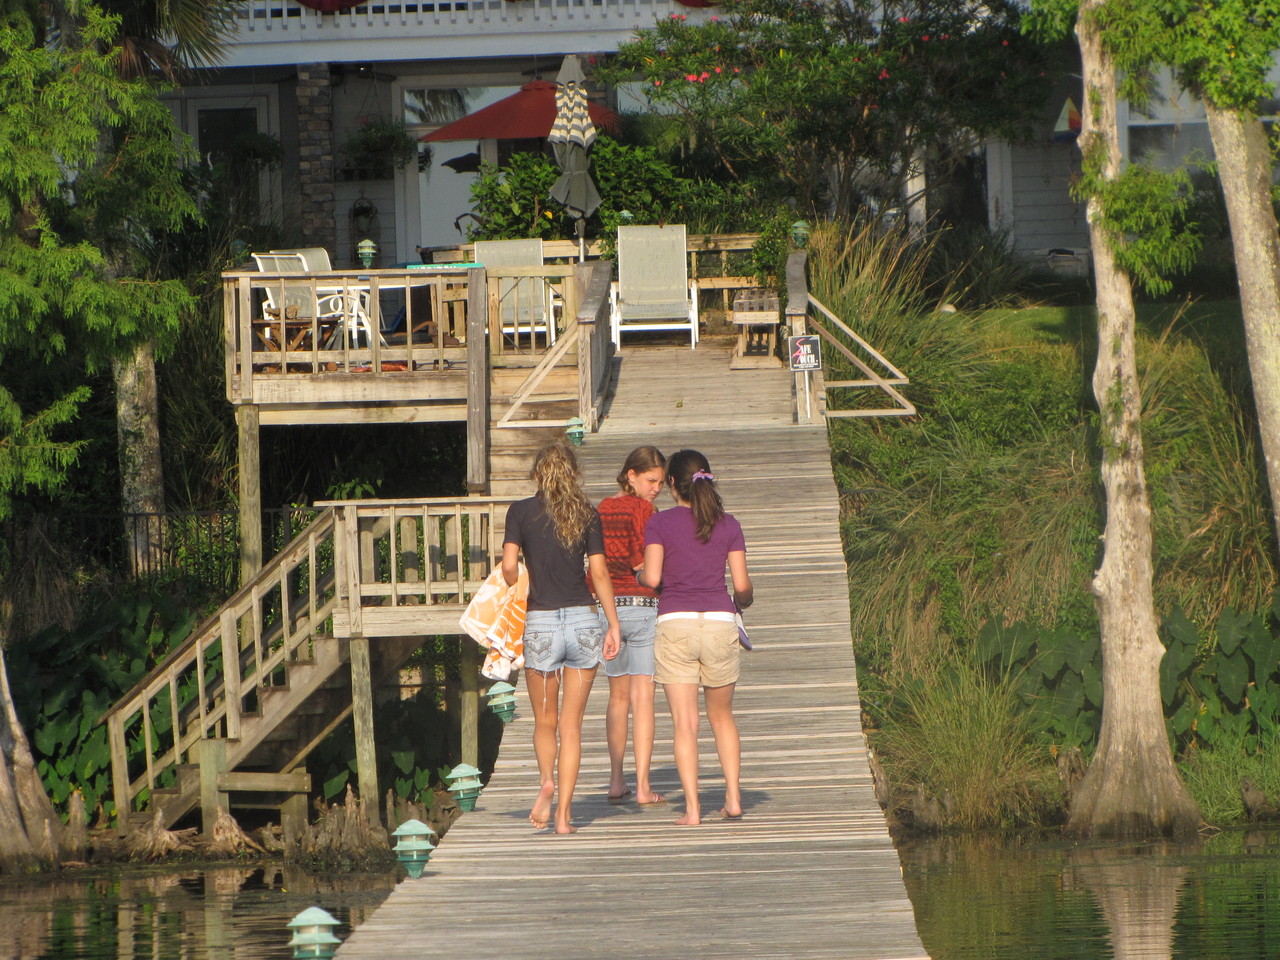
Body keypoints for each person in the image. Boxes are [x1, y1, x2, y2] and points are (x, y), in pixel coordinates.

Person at [502, 441, 621, 834]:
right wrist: (613, 624)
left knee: (545, 720)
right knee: (572, 725)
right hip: (584, 622)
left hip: (541, 624)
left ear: (537, 474)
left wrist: (512, 579)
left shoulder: (520, 512)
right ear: (573, 474)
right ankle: (565, 817)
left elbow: (508, 567)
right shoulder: (587, 513)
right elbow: (600, 574)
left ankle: (546, 782)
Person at [640, 449, 753, 825]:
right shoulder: (729, 524)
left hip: (675, 622)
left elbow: (653, 579)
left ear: (672, 483)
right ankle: (733, 798)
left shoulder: (660, 524)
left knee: (685, 724)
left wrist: (640, 576)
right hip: (720, 622)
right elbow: (742, 588)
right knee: (722, 717)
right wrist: (743, 602)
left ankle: (692, 810)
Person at [597, 446, 667, 807]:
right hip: (642, 606)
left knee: (617, 698)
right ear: (632, 476)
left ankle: (615, 779)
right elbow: (644, 561)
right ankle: (642, 786)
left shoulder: (601, 509)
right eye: (651, 480)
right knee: (643, 699)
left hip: (606, 610)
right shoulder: (644, 510)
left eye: (661, 483)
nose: (656, 488)